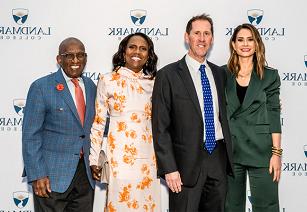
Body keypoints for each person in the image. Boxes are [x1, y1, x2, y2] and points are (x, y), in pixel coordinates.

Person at [152, 14, 233, 212]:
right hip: (184, 165)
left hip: (218, 159)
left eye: (207, 33)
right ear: (187, 37)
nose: (202, 38)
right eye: (197, 33)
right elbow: (160, 126)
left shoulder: (220, 74)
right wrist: (169, 167)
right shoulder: (167, 75)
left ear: (212, 39)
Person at [22, 37, 96, 211]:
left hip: (84, 176)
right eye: (69, 56)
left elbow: (96, 126)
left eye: (80, 55)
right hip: (51, 176)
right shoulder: (41, 87)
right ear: (59, 59)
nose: (76, 60)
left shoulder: (92, 86)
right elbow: (30, 136)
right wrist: (37, 174)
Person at [89, 32, 160, 211]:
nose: (137, 52)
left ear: (149, 55)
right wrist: (93, 158)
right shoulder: (107, 80)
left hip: (148, 161)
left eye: (143, 49)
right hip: (119, 159)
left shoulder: (154, 83)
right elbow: (98, 124)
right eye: (132, 47)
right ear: (123, 52)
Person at [224, 23, 282, 212]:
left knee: (267, 206)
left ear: (257, 43)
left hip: (261, 150)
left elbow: (274, 113)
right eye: (240, 39)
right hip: (230, 151)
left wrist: (276, 153)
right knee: (230, 207)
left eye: (250, 39)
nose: (245, 44)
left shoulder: (270, 76)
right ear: (233, 44)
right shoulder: (222, 74)